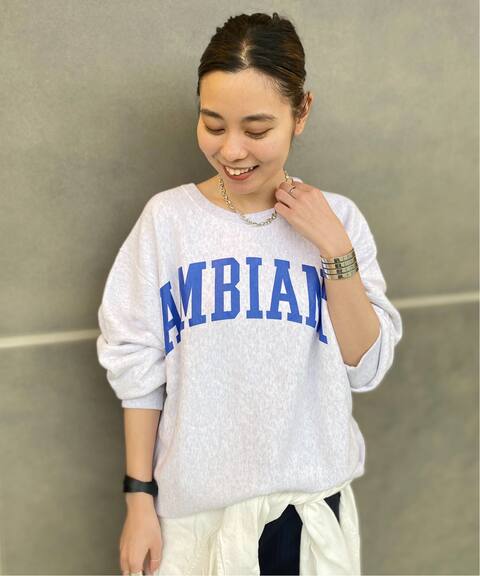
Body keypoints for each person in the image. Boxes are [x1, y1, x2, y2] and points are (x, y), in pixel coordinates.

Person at [96, 11, 403, 576]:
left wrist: (334, 248)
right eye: (213, 125)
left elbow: (367, 366)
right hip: (194, 521)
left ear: (301, 113)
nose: (232, 151)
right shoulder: (168, 222)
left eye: (256, 130)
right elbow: (137, 365)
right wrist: (138, 499)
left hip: (310, 516)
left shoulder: (339, 221)